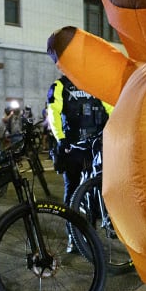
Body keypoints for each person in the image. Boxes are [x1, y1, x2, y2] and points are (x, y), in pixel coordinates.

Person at [45, 74, 113, 206]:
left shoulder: (97, 85)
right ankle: (70, 223)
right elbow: (53, 112)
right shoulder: (60, 85)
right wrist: (60, 138)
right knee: (72, 186)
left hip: (97, 143)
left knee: (103, 181)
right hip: (72, 144)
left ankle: (95, 215)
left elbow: (111, 109)